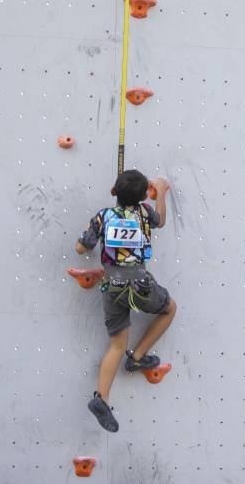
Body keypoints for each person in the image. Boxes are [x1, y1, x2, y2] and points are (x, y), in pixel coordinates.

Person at [75, 170, 176, 432]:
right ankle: (138, 356)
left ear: (113, 192)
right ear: (143, 197)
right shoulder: (144, 212)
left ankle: (102, 398)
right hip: (140, 286)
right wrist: (160, 192)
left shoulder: (103, 217)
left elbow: (81, 248)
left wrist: (87, 233)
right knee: (169, 309)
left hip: (112, 287)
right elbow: (161, 220)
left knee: (116, 345)